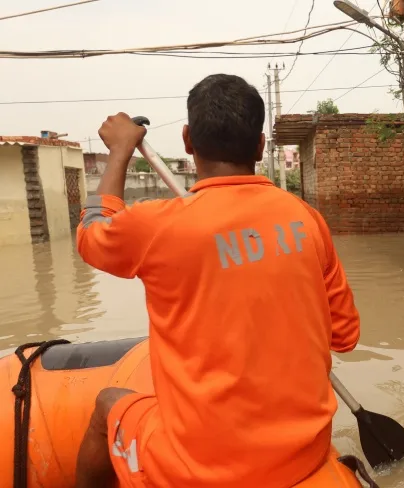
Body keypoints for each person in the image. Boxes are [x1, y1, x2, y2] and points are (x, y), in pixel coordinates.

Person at [74, 74, 362, 488]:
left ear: (188, 141)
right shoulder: (306, 219)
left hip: (201, 466)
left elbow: (91, 235)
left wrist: (119, 151)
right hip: (303, 455)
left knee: (107, 404)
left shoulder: (156, 225)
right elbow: (345, 336)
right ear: (261, 146)